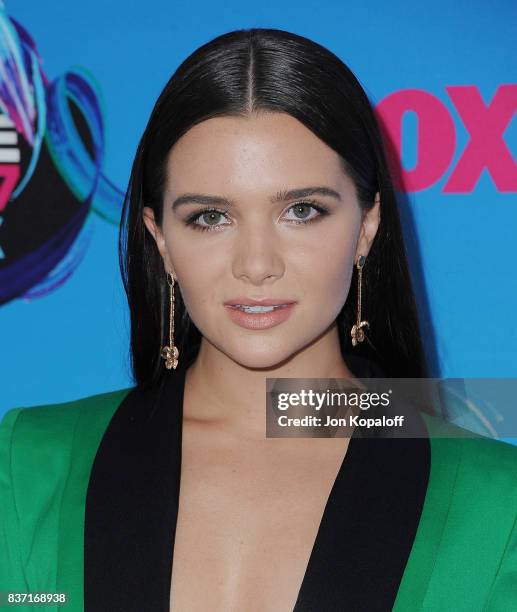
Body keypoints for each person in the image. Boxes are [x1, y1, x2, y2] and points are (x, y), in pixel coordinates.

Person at [1, 27, 517, 612]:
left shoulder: (497, 507)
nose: (256, 265)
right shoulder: (27, 467)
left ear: (366, 227)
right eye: (210, 217)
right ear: (161, 240)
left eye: (301, 210)